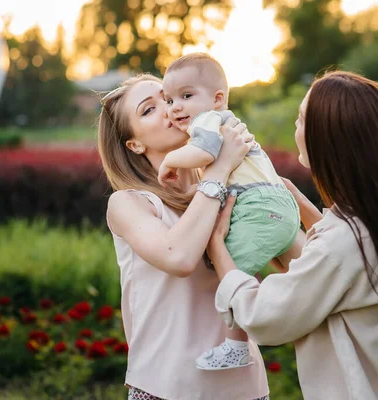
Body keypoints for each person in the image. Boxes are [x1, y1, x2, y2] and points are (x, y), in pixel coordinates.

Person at [207, 71, 378, 400]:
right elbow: (333, 267)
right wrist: (300, 207)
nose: (296, 126)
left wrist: (218, 247)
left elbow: (266, 316)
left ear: (329, 142)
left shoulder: (344, 244)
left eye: (303, 119)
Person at [98, 73, 270, 400]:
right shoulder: (130, 203)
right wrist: (218, 169)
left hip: (244, 388)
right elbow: (179, 257)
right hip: (167, 386)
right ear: (134, 144)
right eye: (149, 110)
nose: (170, 109)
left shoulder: (231, 191)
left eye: (170, 98)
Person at [159, 53, 301, 371]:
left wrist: (170, 161)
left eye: (186, 96)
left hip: (259, 207)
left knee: (231, 269)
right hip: (271, 206)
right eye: (169, 100)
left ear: (218, 98)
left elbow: (203, 152)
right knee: (255, 269)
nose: (175, 108)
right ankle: (276, 314)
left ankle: (237, 345)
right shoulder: (225, 124)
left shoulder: (209, 121)